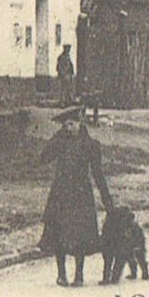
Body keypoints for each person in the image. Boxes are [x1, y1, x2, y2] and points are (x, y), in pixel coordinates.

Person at [37, 106, 113, 286]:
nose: (68, 128)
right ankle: (61, 274)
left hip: (80, 194)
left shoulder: (91, 145)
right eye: (65, 125)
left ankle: (79, 275)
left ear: (79, 122)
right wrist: (55, 138)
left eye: (71, 124)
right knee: (58, 234)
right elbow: (43, 158)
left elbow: (98, 174)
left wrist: (107, 201)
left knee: (81, 236)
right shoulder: (61, 142)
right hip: (60, 193)